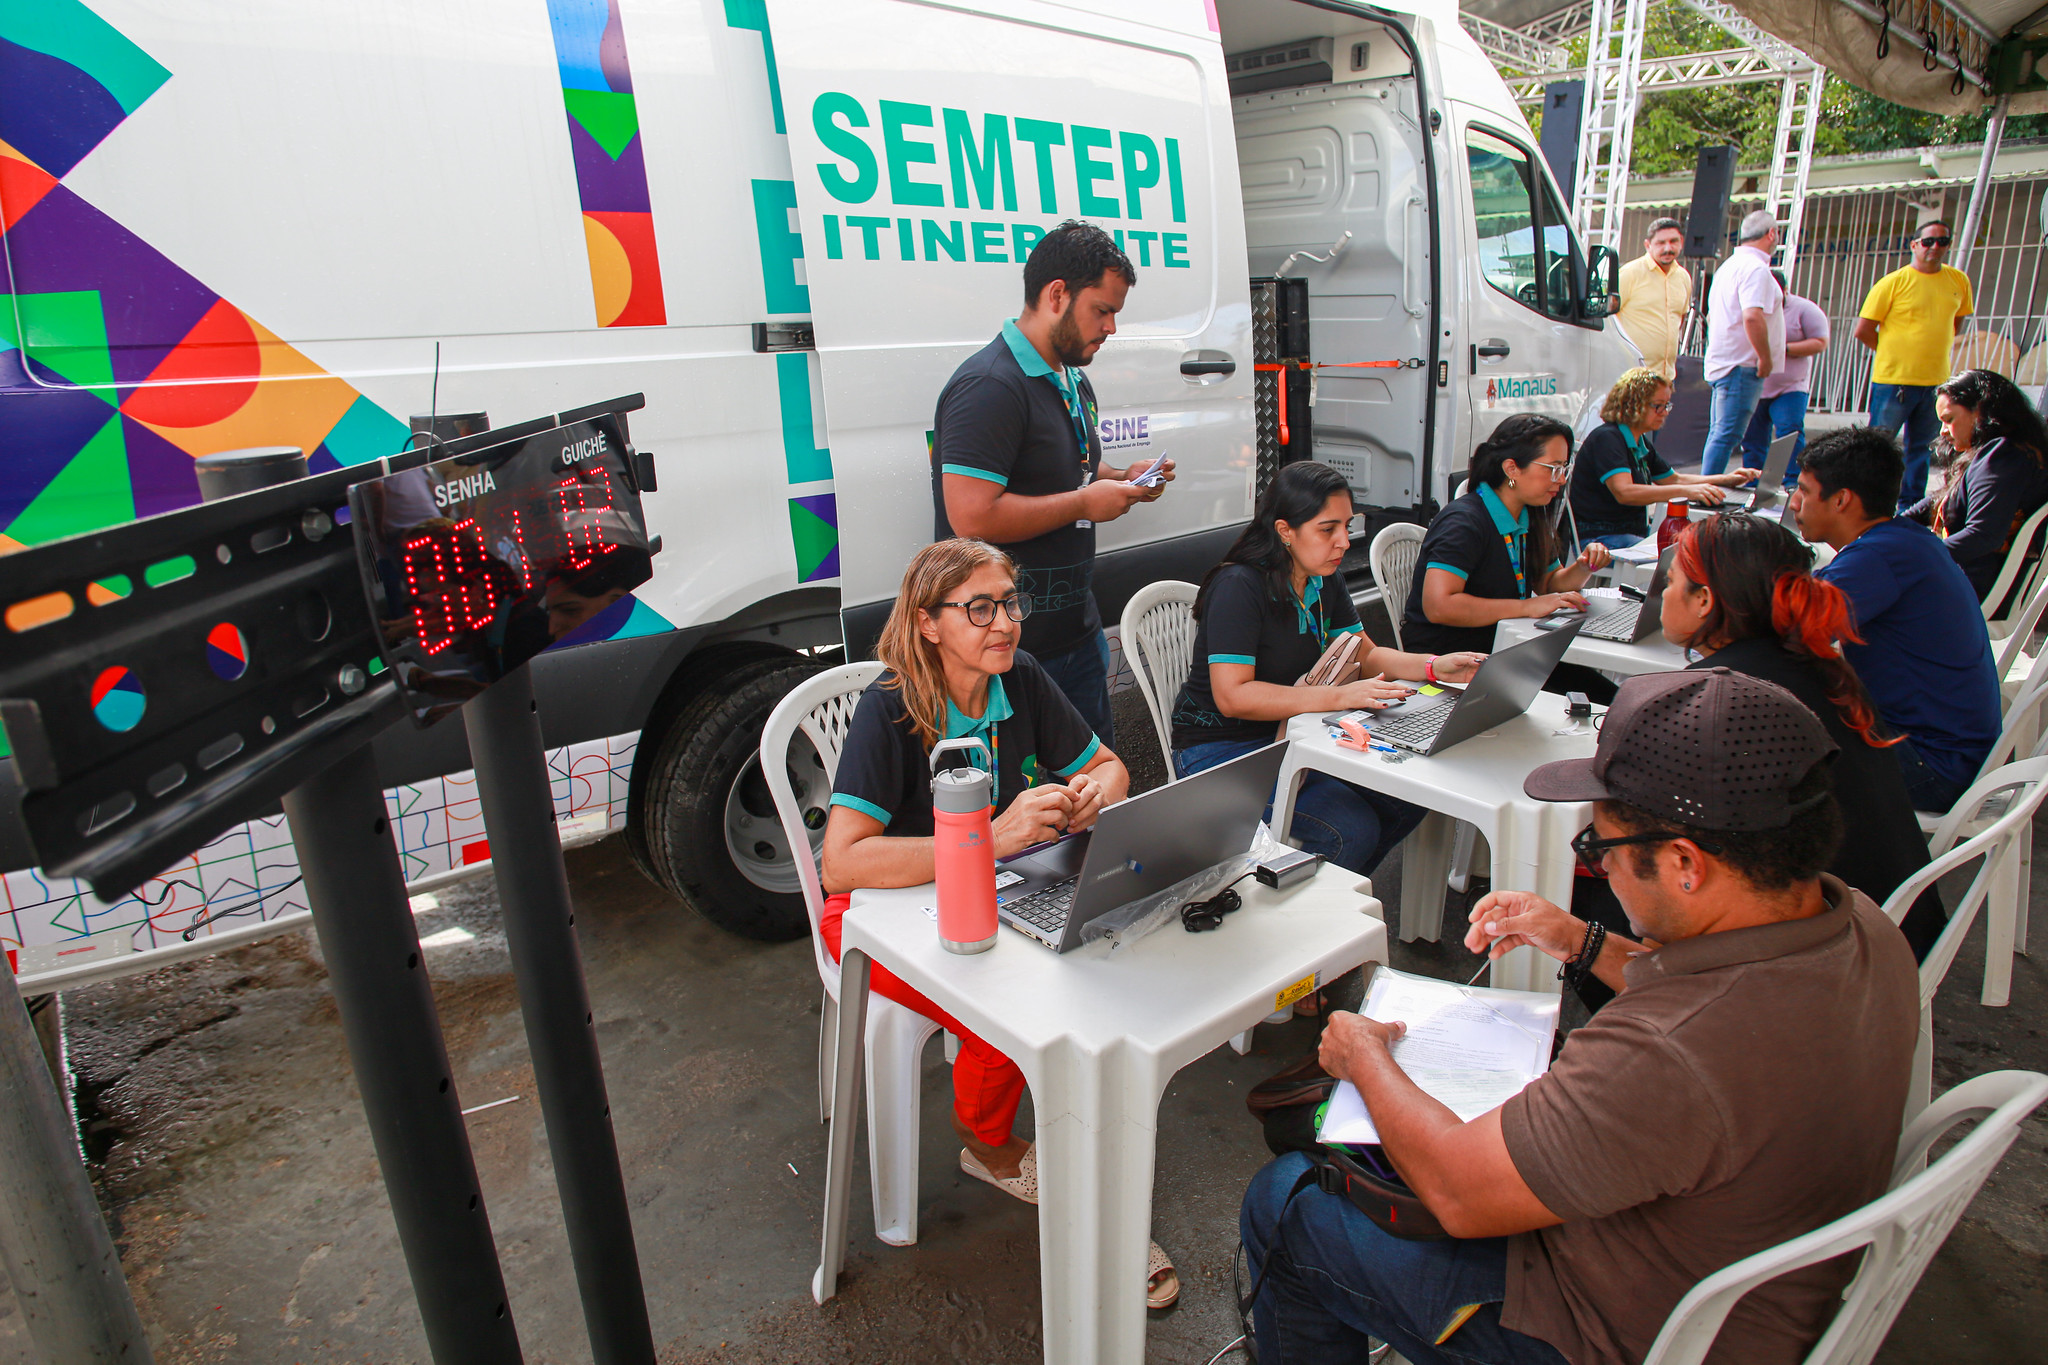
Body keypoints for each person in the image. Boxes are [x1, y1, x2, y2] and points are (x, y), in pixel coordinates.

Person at [1239, 668, 1918, 1365]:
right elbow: (1706, 994)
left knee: (1285, 1200)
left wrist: (1364, 1057)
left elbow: (1456, 1191)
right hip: (1745, 1279)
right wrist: (1581, 939)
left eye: (1600, 849)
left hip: (1604, 1325)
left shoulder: (1667, 1052)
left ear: (1686, 863)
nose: (1598, 870)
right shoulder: (1859, 922)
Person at [818, 538, 1181, 1307]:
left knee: (1093, 954)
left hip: (993, 887)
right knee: (1011, 999)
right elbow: (841, 864)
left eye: (1009, 602)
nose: (1004, 622)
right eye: (978, 607)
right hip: (873, 918)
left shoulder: (1019, 678)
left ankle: (1073, 1135)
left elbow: (1110, 764)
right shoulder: (890, 709)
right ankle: (993, 1143)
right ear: (926, 622)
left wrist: (1091, 794)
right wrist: (992, 831)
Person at [1170, 461, 1485, 874]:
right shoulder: (1240, 586)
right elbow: (1233, 696)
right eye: (1327, 529)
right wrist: (1341, 695)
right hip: (1223, 748)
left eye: (1347, 526)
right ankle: (1304, 921)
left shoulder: (1321, 576)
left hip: (1298, 734)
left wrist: (1434, 667)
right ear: (1285, 531)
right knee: (1348, 830)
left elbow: (1365, 653)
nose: (1343, 542)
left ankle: (1335, 897)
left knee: (1406, 800)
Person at [1656, 511, 1945, 956]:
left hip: (1842, 952)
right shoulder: (1814, 665)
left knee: (1612, 892)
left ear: (1704, 601)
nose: (1662, 595)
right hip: (1899, 925)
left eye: (1671, 582)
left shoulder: (1724, 697)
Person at [931, 221, 1175, 744]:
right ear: (1057, 294)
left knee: (1094, 793)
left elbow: (1072, 473)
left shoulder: (1072, 377)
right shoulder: (989, 386)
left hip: (1076, 634)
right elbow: (971, 515)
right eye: (1102, 310)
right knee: (1015, 810)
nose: (1110, 327)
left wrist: (1122, 479)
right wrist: (1087, 502)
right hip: (999, 645)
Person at [1790, 426, 2001, 811]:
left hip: (1933, 766)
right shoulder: (1903, 541)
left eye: (1803, 490)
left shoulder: (1879, 558)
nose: (1793, 502)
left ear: (1841, 500)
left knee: (1760, 750)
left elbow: (1787, 630)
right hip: (1952, 750)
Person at [1403, 414, 1616, 699]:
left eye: (1565, 468)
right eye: (1553, 469)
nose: (1562, 479)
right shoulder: (1464, 521)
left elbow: (1550, 585)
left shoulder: (1529, 513)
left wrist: (1584, 567)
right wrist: (1526, 607)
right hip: (1454, 661)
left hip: (1508, 650)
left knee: (1610, 698)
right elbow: (1439, 605)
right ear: (1512, 469)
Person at [1854, 218, 1974, 508]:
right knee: (1877, 447)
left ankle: (1910, 508)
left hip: (1936, 382)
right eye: (1928, 241)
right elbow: (1863, 330)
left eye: (1942, 241)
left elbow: (1957, 322)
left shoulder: (1958, 281)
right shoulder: (1893, 282)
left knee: (1921, 449)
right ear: (1914, 245)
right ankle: (1866, 503)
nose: (1935, 247)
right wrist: (1892, 353)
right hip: (1894, 381)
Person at [1567, 367, 1755, 550]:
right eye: (1658, 406)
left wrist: (1726, 479)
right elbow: (1625, 492)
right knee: (1688, 552)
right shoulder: (1607, 438)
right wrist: (1688, 491)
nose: (1664, 412)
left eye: (1666, 406)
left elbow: (1674, 479)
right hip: (1599, 538)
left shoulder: (1639, 441)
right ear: (1632, 404)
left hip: (1629, 533)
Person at [1904, 367, 2048, 604]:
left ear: (1981, 410)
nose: (1943, 431)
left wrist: (1915, 556)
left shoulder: (2003, 455)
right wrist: (1889, 527)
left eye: (1949, 420)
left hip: (1973, 589)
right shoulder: (2009, 451)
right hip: (1973, 582)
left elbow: (1983, 535)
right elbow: (1935, 502)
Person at [1699, 210, 1785, 478]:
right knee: (1726, 434)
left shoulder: (1730, 266)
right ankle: (1703, 492)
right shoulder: (1755, 268)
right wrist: (1765, 357)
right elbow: (1752, 315)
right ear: (1771, 234)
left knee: (1722, 433)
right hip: (1741, 364)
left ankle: (1704, 489)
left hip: (1728, 361)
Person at [1739, 270, 1829, 486]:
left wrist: (1781, 349)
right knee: (1753, 437)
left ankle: (1793, 481)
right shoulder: (1749, 306)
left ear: (1785, 290)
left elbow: (1820, 342)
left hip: (1790, 386)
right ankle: (1755, 483)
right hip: (1756, 384)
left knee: (1789, 431)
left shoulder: (1805, 310)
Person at [1615, 217, 1691, 382]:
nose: (1667, 248)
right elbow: (1607, 317)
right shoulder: (1630, 273)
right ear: (1647, 245)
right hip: (1632, 376)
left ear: (1681, 242)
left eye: (1673, 241)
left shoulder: (1683, 277)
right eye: (1660, 243)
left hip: (1666, 378)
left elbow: (1679, 318)